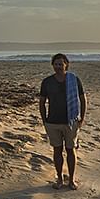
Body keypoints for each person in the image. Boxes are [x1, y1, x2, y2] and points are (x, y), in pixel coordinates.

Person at [38, 53, 87, 190]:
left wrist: (81, 118)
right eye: (56, 64)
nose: (58, 66)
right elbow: (41, 102)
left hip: (70, 122)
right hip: (53, 122)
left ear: (66, 64)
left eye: (61, 64)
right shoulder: (47, 82)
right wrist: (44, 120)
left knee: (71, 150)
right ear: (53, 65)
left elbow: (83, 99)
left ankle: (71, 180)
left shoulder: (74, 80)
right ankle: (59, 179)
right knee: (57, 151)